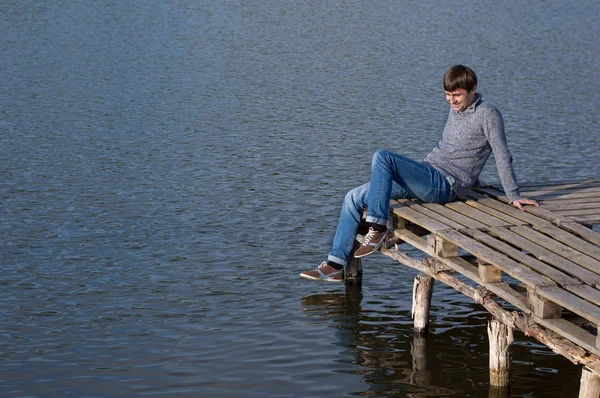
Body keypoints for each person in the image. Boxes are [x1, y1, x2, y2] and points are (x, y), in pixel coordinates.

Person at [300, 65, 539, 282]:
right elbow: (461, 150)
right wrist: (475, 177)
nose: (451, 100)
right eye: (447, 95)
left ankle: (378, 228)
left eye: (457, 95)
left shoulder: (488, 114)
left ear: (472, 89)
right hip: (429, 173)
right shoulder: (456, 109)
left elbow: (501, 153)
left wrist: (513, 194)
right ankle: (336, 264)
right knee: (353, 197)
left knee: (383, 157)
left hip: (446, 184)